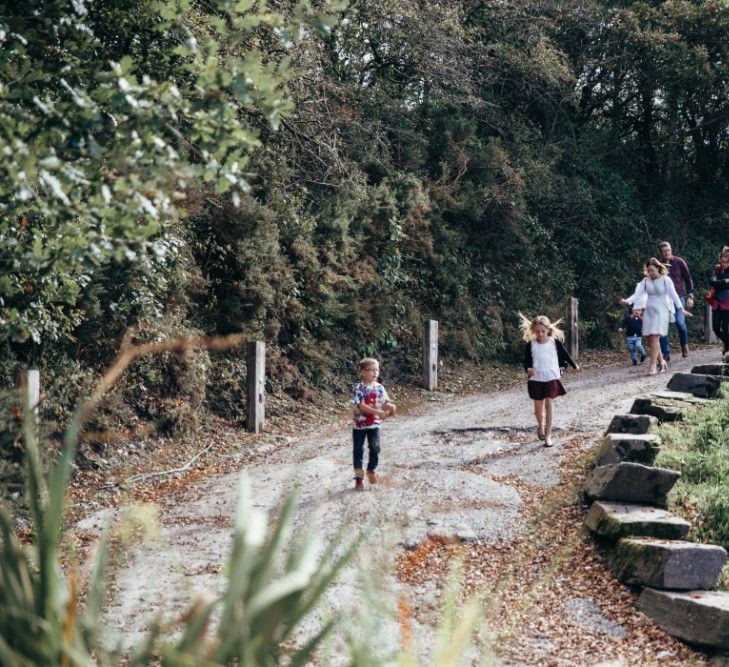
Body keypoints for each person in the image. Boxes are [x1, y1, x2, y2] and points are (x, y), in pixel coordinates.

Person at [621, 258, 691, 375]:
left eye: (652, 270)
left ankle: (653, 366)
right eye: (648, 271)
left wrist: (681, 309)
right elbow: (637, 294)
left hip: (662, 310)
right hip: (649, 310)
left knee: (655, 338)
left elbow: (674, 295)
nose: (650, 273)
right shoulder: (645, 281)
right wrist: (627, 301)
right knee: (649, 340)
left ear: (658, 268)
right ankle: (662, 362)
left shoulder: (666, 280)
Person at [520, 314, 580, 448]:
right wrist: (528, 370)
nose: (540, 334)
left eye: (543, 331)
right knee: (538, 408)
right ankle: (540, 425)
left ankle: (548, 435)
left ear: (548, 330)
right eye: (537, 332)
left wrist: (574, 365)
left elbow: (565, 354)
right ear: (533, 331)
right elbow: (526, 362)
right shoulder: (531, 345)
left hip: (551, 377)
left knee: (549, 404)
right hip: (536, 379)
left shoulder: (554, 342)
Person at [351, 357, 396, 490]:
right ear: (362, 372)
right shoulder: (359, 387)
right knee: (358, 451)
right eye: (372, 370)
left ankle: (371, 469)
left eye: (377, 370)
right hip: (359, 425)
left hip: (374, 425)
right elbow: (362, 406)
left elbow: (385, 403)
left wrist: (391, 407)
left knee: (375, 447)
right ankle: (359, 479)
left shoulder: (380, 388)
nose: (375, 373)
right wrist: (378, 412)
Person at [658, 241, 695, 359]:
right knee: (662, 325)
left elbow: (688, 279)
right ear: (661, 253)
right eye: (664, 251)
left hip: (678, 296)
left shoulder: (679, 261)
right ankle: (666, 352)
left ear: (671, 250)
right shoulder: (658, 265)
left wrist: (690, 296)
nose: (666, 253)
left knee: (680, 323)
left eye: (668, 250)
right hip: (663, 299)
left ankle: (684, 345)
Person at [708, 247, 729, 358]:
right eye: (722, 261)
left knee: (726, 326)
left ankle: (727, 348)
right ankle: (727, 343)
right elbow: (711, 281)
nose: (723, 264)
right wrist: (724, 281)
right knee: (716, 328)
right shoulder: (716, 269)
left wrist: (720, 282)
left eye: (726, 262)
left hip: (728, 301)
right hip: (717, 301)